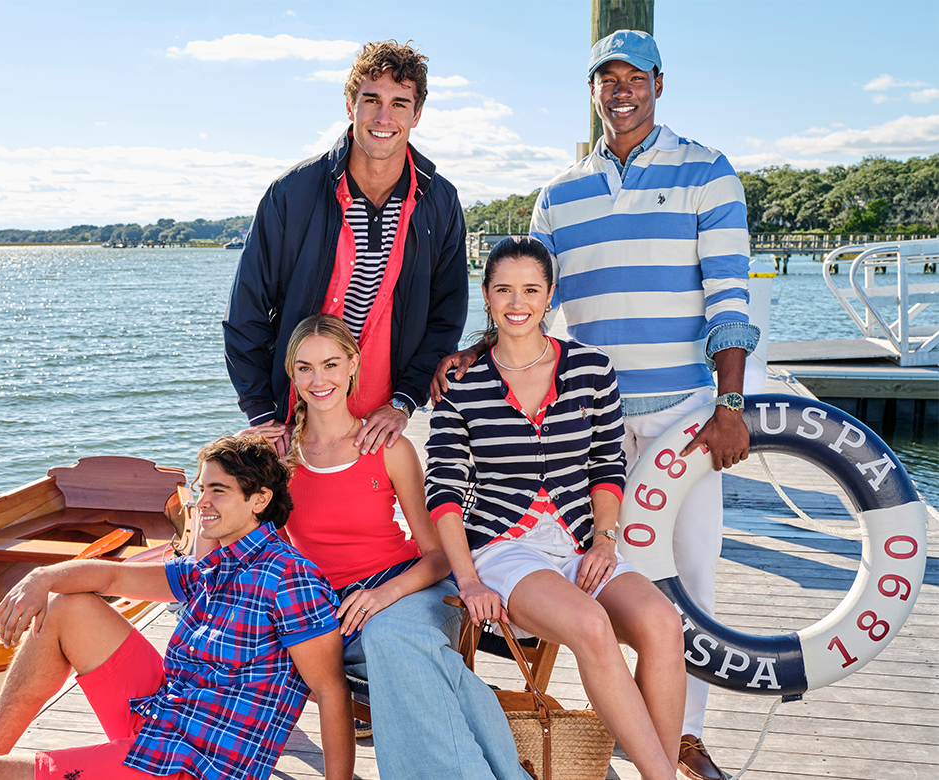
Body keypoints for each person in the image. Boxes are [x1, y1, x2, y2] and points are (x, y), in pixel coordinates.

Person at [433, 31, 758, 780]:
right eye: (607, 78)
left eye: (634, 76)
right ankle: (625, 735)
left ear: (658, 83)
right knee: (601, 585)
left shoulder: (708, 171)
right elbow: (528, 301)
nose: (622, 89)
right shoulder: (558, 195)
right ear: (591, 90)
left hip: (682, 415)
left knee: (691, 581)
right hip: (589, 418)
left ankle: (683, 740)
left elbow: (730, 296)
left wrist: (731, 401)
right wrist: (474, 356)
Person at [0, 434, 354, 780]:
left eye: (218, 491)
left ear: (260, 499)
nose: (201, 503)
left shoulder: (290, 578)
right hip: (164, 719)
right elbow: (112, 578)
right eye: (200, 489)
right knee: (66, 608)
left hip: (196, 765)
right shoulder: (215, 565)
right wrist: (41, 578)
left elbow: (332, 691)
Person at [427, 237, 686, 780]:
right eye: (503, 290)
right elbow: (444, 490)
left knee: (663, 624)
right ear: (486, 295)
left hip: (580, 542)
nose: (516, 302)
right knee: (591, 624)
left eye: (530, 290)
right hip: (503, 548)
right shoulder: (462, 384)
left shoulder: (592, 369)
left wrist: (604, 540)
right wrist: (468, 579)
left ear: (550, 296)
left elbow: (607, 465)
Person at [243, 312, 533, 780]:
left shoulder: (387, 447)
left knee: (390, 635)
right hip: (332, 609)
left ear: (353, 365)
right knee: (423, 664)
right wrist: (239, 461)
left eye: (331, 365)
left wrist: (384, 595)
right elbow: (246, 542)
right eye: (305, 368)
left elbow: (437, 555)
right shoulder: (280, 457)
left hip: (411, 590)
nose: (319, 380)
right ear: (291, 374)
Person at [224, 39, 468, 459]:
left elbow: (446, 316)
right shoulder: (293, 193)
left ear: (417, 114)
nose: (384, 117)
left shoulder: (439, 200)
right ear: (350, 106)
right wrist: (262, 411)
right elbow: (247, 309)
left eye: (399, 103)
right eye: (371, 100)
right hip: (297, 413)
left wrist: (404, 402)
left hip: (380, 420)